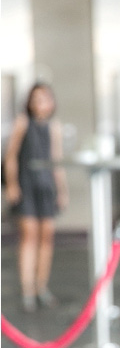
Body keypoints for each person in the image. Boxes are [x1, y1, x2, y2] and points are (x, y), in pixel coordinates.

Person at [4, 82, 68, 312]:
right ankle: (27, 289)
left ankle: (42, 286)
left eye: (45, 98)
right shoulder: (22, 123)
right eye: (36, 99)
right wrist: (12, 184)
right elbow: (11, 156)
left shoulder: (54, 126)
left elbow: (56, 160)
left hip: (46, 187)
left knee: (46, 237)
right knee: (29, 236)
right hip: (27, 186)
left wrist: (61, 190)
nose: (41, 103)